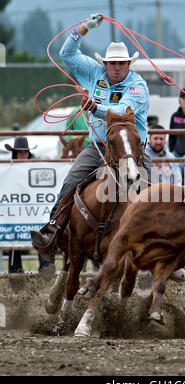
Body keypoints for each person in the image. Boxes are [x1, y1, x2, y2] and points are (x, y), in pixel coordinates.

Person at [30, 13, 154, 264]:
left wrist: (94, 107)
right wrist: (84, 28)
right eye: (112, 63)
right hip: (98, 146)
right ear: (105, 63)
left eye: (122, 64)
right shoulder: (93, 71)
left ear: (129, 65)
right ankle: (53, 230)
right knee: (72, 180)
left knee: (155, 191)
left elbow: (120, 113)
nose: (117, 67)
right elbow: (66, 53)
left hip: (131, 149)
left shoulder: (137, 86)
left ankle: (160, 243)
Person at [4, 137, 52, 279]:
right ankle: (16, 274)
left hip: (32, 212)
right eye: (20, 152)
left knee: (39, 233)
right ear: (15, 153)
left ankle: (45, 268)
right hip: (15, 212)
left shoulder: (36, 167)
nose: (23, 155)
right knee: (14, 239)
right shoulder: (8, 168)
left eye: (25, 152)